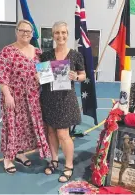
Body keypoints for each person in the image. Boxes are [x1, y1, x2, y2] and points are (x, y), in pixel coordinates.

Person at [0, 19, 51, 174]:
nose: (25, 33)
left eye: (28, 31)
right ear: (16, 31)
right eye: (22, 30)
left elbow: (46, 76)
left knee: (26, 129)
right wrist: (7, 95)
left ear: (32, 34)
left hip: (32, 98)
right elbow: (1, 75)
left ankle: (20, 153)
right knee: (11, 127)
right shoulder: (7, 51)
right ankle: (8, 158)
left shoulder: (38, 53)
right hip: (14, 97)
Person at [39, 21, 86, 183]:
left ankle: (68, 165)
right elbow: (42, 79)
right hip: (48, 98)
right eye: (57, 33)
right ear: (53, 36)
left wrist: (76, 77)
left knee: (63, 134)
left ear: (67, 34)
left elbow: (83, 75)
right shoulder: (45, 55)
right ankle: (54, 160)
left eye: (63, 32)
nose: (60, 36)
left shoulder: (75, 55)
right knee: (51, 132)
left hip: (66, 100)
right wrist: (40, 76)